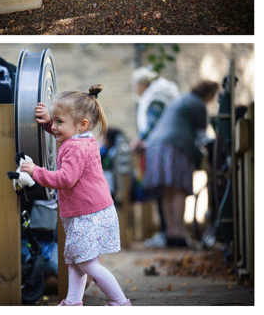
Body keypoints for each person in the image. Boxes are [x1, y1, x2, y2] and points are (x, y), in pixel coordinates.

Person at [20, 86, 132, 306]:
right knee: (75, 261)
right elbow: (64, 132)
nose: (54, 126)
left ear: (82, 124)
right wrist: (47, 124)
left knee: (88, 264)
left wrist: (35, 171)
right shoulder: (81, 139)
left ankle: (120, 302)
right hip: (87, 212)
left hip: (88, 215)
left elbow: (65, 179)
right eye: (53, 121)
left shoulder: (75, 148)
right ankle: (73, 302)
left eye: (58, 121)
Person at [143, 80, 219, 248]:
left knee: (167, 191)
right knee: (179, 189)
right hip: (176, 146)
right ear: (209, 95)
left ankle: (171, 234)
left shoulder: (181, 100)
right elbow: (202, 136)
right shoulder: (198, 104)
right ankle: (179, 235)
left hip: (155, 146)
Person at [130, 67, 180, 247]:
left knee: (162, 190)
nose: (134, 89)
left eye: (135, 85)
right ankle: (167, 232)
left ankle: (167, 233)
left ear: (143, 84)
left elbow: (154, 124)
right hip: (162, 147)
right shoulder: (158, 95)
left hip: (160, 149)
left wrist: (138, 140)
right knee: (164, 190)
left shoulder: (155, 98)